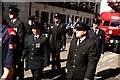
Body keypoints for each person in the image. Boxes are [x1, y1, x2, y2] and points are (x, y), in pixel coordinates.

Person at [8, 6, 26, 80]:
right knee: (12, 64)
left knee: (19, 64)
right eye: (9, 13)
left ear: (16, 14)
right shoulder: (9, 23)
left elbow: (21, 38)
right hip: (11, 48)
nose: (10, 15)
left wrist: (19, 49)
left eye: (12, 13)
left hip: (17, 48)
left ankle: (21, 77)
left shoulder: (19, 23)